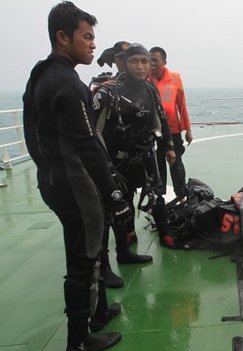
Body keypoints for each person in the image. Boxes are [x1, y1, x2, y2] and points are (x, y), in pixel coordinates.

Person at [22, 2, 130, 349]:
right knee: (83, 259)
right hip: (75, 183)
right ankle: (78, 340)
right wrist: (113, 192)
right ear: (62, 36)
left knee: (87, 250)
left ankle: (96, 315)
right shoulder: (68, 82)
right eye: (86, 37)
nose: (93, 44)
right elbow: (87, 143)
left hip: (53, 179)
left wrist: (46, 168)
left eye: (93, 37)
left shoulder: (40, 74)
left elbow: (30, 131)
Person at [94, 43, 178, 268]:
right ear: (124, 62)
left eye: (145, 61)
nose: (141, 66)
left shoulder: (149, 88)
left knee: (158, 194)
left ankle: (165, 234)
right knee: (118, 205)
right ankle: (120, 251)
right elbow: (96, 131)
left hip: (143, 154)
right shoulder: (109, 91)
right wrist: (106, 165)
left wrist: (165, 143)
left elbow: (158, 117)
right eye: (135, 61)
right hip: (115, 160)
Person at [149, 46, 192, 199]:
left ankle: (182, 196)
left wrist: (188, 129)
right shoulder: (145, 78)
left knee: (176, 163)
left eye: (156, 60)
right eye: (150, 59)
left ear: (164, 61)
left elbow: (181, 105)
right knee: (157, 164)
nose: (152, 63)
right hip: (152, 130)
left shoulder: (175, 78)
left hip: (173, 129)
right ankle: (159, 199)